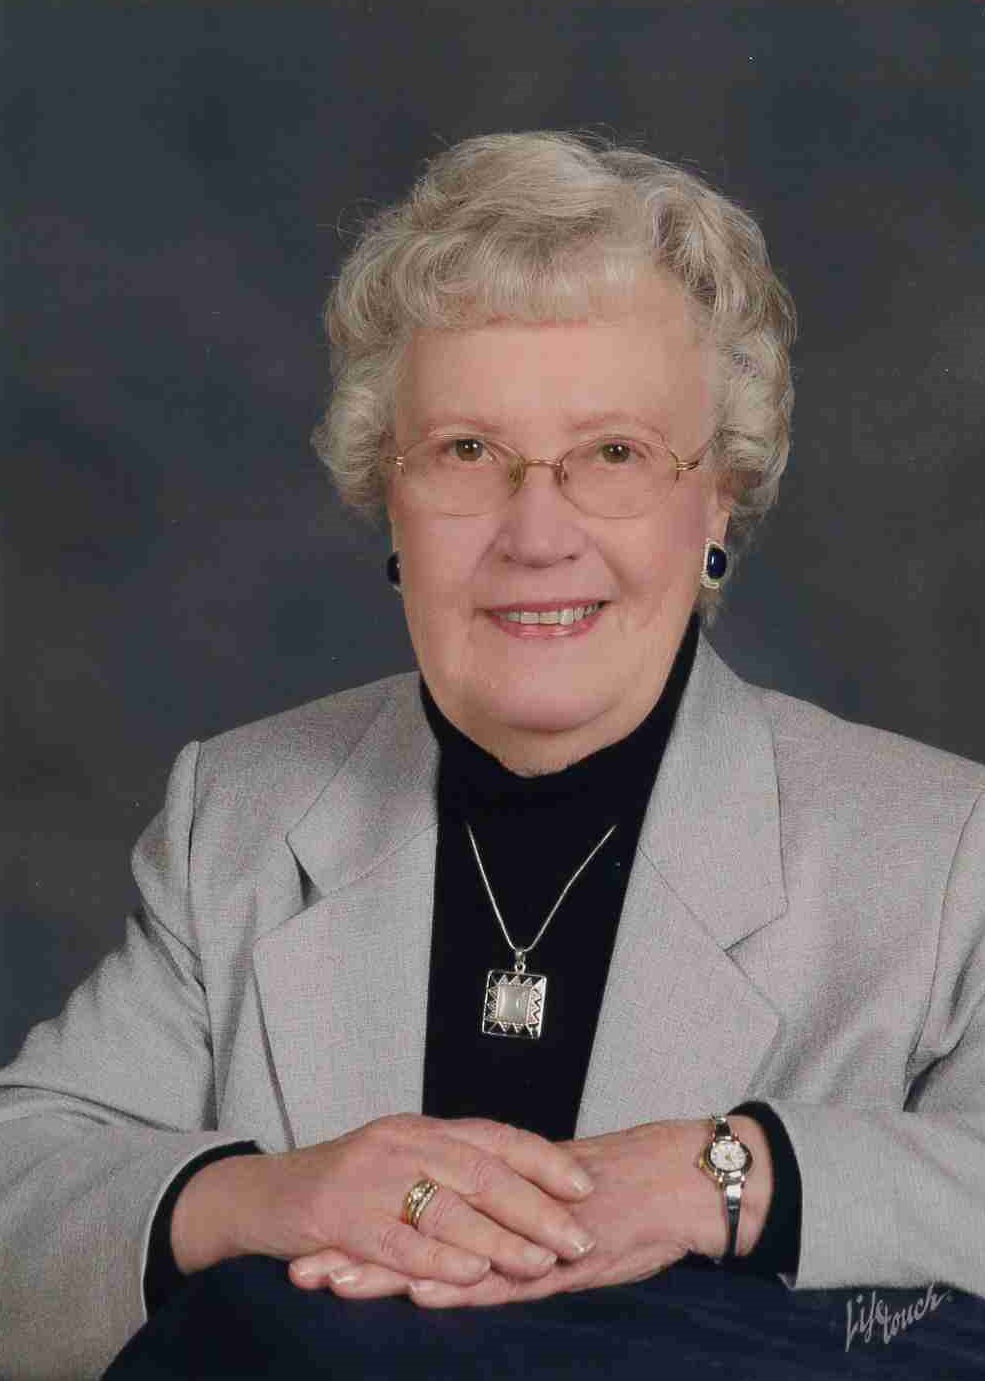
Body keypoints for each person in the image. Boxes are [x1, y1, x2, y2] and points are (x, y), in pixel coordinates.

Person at [1, 130, 983, 1381]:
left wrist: (730, 1175)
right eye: (467, 451)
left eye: (613, 454)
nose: (535, 533)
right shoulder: (237, 817)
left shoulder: (940, 851)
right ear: (389, 495)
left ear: (718, 500)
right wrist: (269, 1197)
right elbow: (21, 1193)